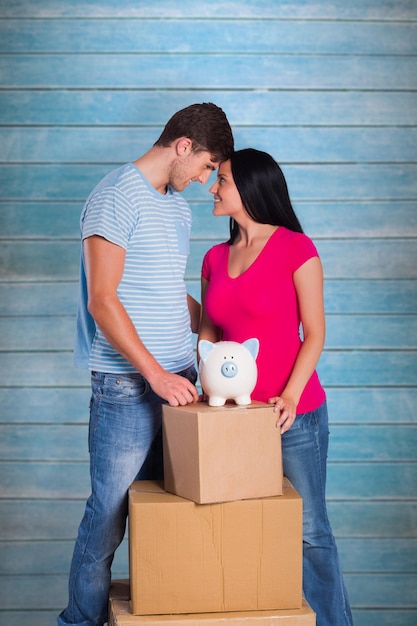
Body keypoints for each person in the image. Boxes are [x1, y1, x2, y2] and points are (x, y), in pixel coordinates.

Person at [57, 103, 234, 626]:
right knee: (108, 518)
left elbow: (164, 289)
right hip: (128, 386)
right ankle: (79, 622)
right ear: (183, 146)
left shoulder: (174, 207)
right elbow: (104, 300)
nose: (207, 182)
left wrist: (216, 332)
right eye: (207, 167)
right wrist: (156, 375)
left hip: (182, 381)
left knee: (173, 513)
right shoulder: (114, 197)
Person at [198, 148, 354, 626]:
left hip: (294, 416)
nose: (212, 188)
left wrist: (287, 396)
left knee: (309, 532)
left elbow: (315, 332)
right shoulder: (213, 257)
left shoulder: (295, 248)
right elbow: (209, 337)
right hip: (233, 422)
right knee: (240, 530)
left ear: (248, 187)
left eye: (220, 179)